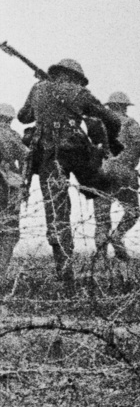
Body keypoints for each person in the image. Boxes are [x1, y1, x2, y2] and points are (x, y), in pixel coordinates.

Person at [18, 58, 122, 278]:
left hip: (47, 155)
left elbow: (23, 117)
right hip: (77, 153)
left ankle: (65, 272)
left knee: (56, 212)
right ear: (75, 77)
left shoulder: (38, 88)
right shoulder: (79, 92)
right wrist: (108, 141)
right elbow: (112, 120)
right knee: (101, 188)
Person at [93, 92, 140, 262]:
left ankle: (99, 260)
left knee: (101, 218)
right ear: (124, 107)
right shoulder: (130, 124)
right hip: (124, 172)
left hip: (102, 172)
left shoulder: (99, 125)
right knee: (133, 211)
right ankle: (117, 236)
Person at [0, 104, 27, 279]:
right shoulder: (14, 137)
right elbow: (25, 162)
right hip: (9, 186)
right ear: (10, 119)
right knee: (10, 231)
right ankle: (1, 271)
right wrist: (23, 184)